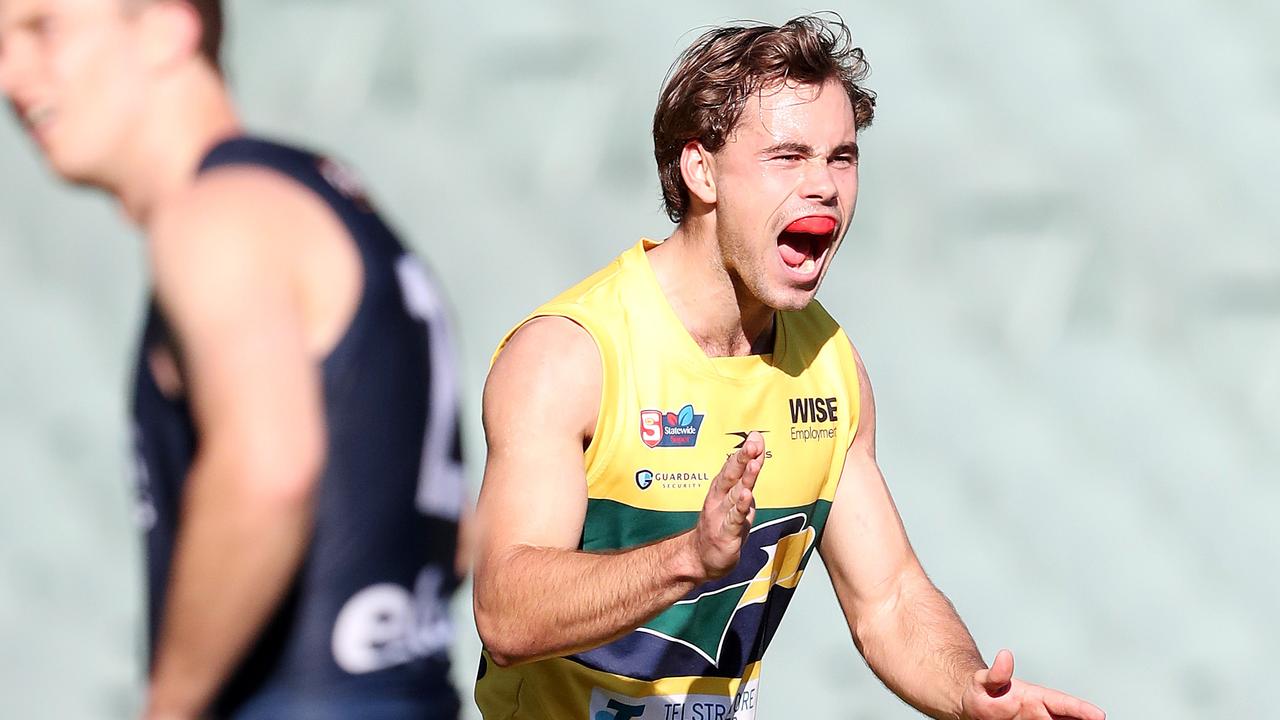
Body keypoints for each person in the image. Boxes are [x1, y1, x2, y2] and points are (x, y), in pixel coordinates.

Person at [472, 14, 1105, 720]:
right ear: (700, 169)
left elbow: (889, 600)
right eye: (789, 156)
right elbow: (505, 615)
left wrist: (967, 690)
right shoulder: (568, 357)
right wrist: (688, 557)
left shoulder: (830, 367)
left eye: (842, 157)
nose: (825, 185)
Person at [0, 1, 466, 717]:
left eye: (42, 29)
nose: (11, 73)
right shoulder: (330, 200)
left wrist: (170, 705)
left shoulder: (217, 217)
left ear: (167, 25)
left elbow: (269, 472)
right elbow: (446, 527)